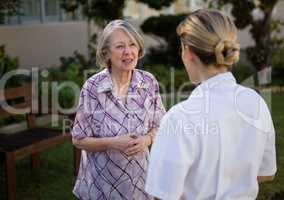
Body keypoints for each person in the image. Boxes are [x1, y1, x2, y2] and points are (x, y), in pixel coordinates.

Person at [145, 9, 277, 200]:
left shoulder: (179, 118)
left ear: (188, 53)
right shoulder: (257, 103)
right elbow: (267, 173)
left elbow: (162, 195)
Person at [71, 19, 165, 200]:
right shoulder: (92, 87)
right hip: (101, 186)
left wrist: (147, 139)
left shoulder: (148, 82)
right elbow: (78, 139)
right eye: (120, 46)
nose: (128, 52)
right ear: (106, 53)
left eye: (132, 45)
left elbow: (161, 126)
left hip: (139, 182)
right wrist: (112, 143)